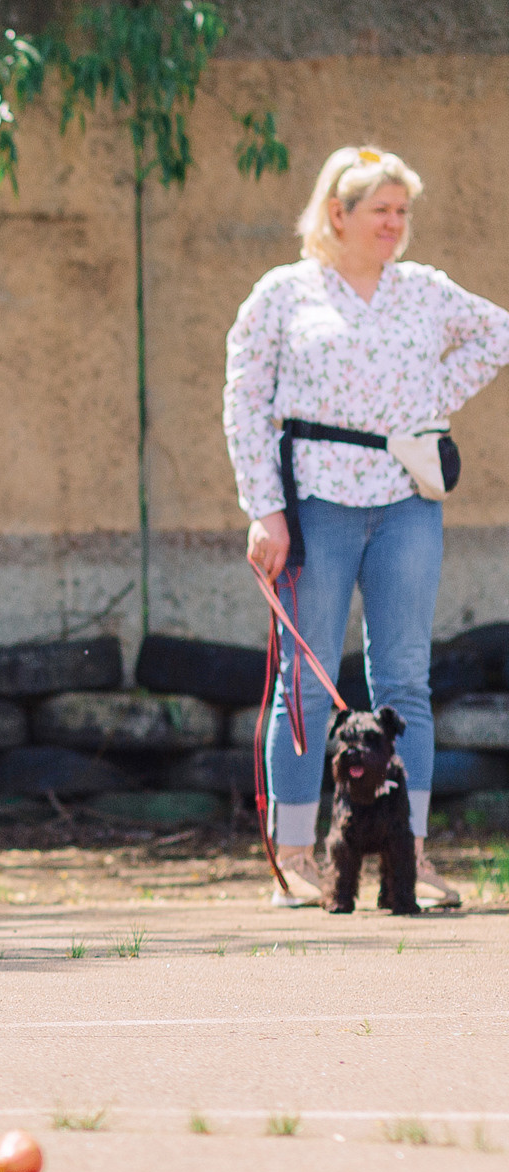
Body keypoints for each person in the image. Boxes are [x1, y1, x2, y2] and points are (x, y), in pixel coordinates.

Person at [228, 146, 509, 909]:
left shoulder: (424, 290)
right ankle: (294, 858)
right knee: (305, 680)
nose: (395, 223)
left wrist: (427, 401)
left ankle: (407, 859)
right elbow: (246, 402)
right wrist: (265, 506)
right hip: (314, 499)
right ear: (336, 214)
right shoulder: (283, 294)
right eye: (381, 210)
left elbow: (498, 334)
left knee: (405, 682)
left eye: (402, 211)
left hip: (407, 501)